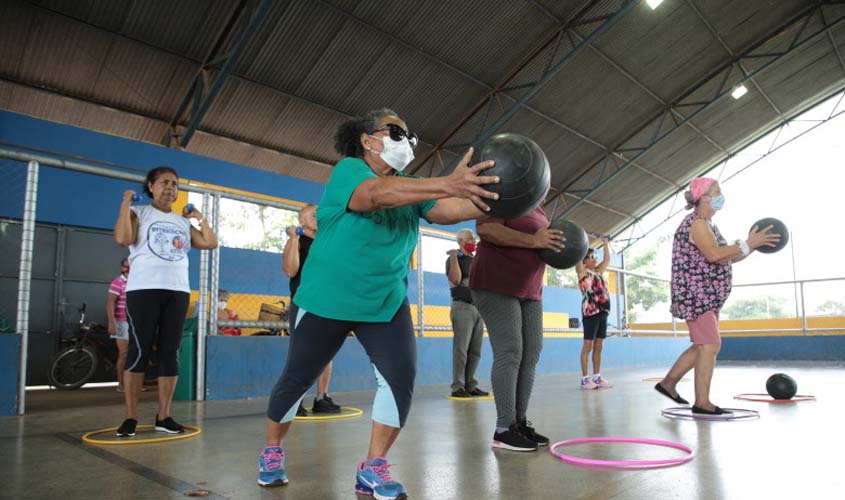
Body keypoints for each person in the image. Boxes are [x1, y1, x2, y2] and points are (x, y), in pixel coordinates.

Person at [257, 108, 499, 499]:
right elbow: (374, 196)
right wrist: (447, 183)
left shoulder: (411, 187)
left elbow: (451, 210)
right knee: (296, 380)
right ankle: (272, 450)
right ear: (368, 140)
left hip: (384, 302)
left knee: (399, 379)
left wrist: (501, 198)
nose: (406, 141)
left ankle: (373, 467)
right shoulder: (349, 171)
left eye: (409, 136)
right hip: (325, 299)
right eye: (395, 132)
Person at [655, 177, 779, 414]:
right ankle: (702, 402)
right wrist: (748, 242)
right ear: (704, 198)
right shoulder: (697, 223)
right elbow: (713, 254)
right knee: (710, 345)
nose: (721, 196)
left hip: (707, 297)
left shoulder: (708, 224)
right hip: (696, 295)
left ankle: (668, 383)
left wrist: (754, 245)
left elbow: (727, 256)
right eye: (717, 192)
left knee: (703, 345)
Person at [113, 166, 218, 437]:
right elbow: (123, 238)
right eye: (164, 183)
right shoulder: (139, 213)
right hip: (143, 289)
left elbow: (210, 242)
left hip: (177, 291)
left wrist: (199, 218)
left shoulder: (182, 222)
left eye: (174, 184)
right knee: (139, 351)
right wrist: (126, 203)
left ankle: (164, 416)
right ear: (151, 186)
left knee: (170, 352)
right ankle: (131, 418)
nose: (170, 188)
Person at [469, 206, 566, 452]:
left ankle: (519, 423)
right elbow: (487, 229)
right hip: (496, 282)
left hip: (530, 288)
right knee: (510, 351)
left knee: (531, 351)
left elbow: (544, 242)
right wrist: (534, 240)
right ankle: (504, 429)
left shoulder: (539, 207)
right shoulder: (506, 195)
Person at [282, 204, 342, 416]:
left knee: (327, 352)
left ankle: (321, 398)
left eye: (320, 212)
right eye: (313, 214)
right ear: (302, 221)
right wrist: (293, 239)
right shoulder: (297, 241)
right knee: (301, 353)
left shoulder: (328, 242)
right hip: (305, 303)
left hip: (328, 304)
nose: (318, 215)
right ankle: (293, 399)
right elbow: (290, 270)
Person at [447, 229, 488, 398]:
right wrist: (454, 256)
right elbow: (456, 280)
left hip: (478, 308)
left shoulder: (475, 260)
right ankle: (458, 386)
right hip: (462, 307)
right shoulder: (454, 259)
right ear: (461, 241)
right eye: (470, 239)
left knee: (475, 350)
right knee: (461, 349)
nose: (474, 241)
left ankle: (471, 384)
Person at [575, 238, 613, 390]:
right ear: (584, 261)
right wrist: (582, 243)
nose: (594, 259)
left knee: (599, 345)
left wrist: (605, 243)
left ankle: (597, 377)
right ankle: (585, 379)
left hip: (603, 312)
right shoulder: (582, 272)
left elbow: (607, 259)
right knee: (588, 345)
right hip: (590, 313)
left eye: (595, 256)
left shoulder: (598, 272)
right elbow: (577, 259)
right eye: (591, 257)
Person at [106, 257, 130, 393]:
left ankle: (133, 384)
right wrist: (112, 323)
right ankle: (121, 385)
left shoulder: (137, 282)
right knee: (124, 354)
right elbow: (110, 303)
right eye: (127, 265)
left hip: (135, 323)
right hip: (121, 322)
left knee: (135, 354)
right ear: (122, 268)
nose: (129, 268)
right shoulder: (118, 282)